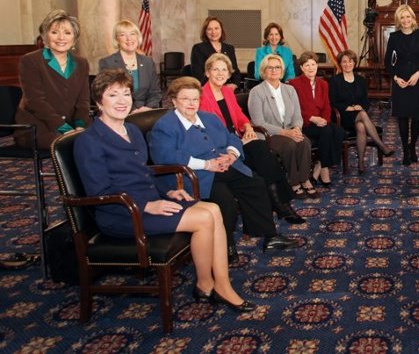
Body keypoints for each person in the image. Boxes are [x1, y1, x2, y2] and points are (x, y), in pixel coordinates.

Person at [75, 69, 255, 312]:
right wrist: (148, 205)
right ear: (99, 101)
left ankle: (214, 284)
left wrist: (167, 192)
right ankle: (210, 284)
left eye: (126, 94)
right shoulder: (89, 140)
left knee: (214, 209)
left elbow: (145, 173)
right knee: (204, 217)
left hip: (148, 201)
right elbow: (99, 191)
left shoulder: (132, 131)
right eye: (113, 95)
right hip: (122, 213)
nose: (121, 101)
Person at [149, 77, 298, 262]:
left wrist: (232, 155)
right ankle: (225, 246)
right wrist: (206, 164)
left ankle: (269, 235)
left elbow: (232, 138)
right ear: (173, 100)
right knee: (224, 199)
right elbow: (165, 156)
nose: (191, 103)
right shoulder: (165, 126)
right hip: (195, 176)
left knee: (255, 183)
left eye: (195, 99)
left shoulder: (209, 118)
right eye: (185, 99)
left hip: (224, 166)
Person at [198, 53, 304, 224]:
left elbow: (239, 116)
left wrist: (247, 126)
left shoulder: (227, 91)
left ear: (228, 73)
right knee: (262, 158)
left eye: (224, 70)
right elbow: (205, 130)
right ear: (207, 72)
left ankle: (281, 204)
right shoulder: (201, 96)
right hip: (220, 146)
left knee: (263, 152)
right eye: (215, 69)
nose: (220, 73)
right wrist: (234, 142)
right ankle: (282, 205)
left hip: (237, 140)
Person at [15, 9, 90, 149]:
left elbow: (83, 101)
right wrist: (64, 128)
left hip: (73, 124)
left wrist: (79, 125)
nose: (61, 38)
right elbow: (35, 101)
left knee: (104, 137)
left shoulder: (81, 63)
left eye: (67, 33)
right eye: (54, 32)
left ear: (74, 38)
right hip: (38, 127)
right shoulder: (30, 61)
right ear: (45, 36)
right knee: (79, 143)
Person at [248, 55, 319, 198]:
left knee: (304, 142)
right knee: (289, 145)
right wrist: (285, 133)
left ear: (282, 70)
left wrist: (297, 128)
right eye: (270, 67)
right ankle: (294, 183)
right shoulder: (257, 92)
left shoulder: (289, 90)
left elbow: (297, 116)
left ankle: (304, 179)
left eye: (278, 67)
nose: (274, 70)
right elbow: (258, 122)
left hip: (290, 130)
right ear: (263, 70)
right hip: (269, 134)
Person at [328, 49, 395, 175]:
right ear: (340, 64)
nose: (348, 64)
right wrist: (348, 108)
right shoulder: (334, 80)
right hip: (342, 116)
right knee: (363, 115)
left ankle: (361, 164)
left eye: (351, 61)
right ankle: (381, 145)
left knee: (361, 126)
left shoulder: (360, 80)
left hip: (358, 115)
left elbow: (366, 101)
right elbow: (332, 102)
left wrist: (360, 106)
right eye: (344, 62)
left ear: (354, 63)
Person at [384, 4, 419, 165]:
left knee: (417, 117)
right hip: (401, 82)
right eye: (402, 17)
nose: (405, 20)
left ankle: (413, 146)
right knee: (403, 117)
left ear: (413, 18)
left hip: (417, 81)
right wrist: (396, 77)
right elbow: (387, 62)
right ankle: (405, 150)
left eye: (408, 17)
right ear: (399, 20)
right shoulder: (394, 37)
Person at [289, 52, 345, 186]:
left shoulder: (323, 84)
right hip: (304, 123)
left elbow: (327, 105)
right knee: (327, 132)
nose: (310, 67)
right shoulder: (293, 84)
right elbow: (294, 109)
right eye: (307, 65)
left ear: (317, 65)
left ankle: (320, 165)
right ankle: (324, 169)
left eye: (313, 64)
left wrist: (324, 119)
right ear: (302, 68)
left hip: (320, 121)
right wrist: (311, 118)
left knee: (339, 131)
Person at [99, 19, 161, 112]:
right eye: (123, 35)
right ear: (117, 39)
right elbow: (107, 95)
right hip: (119, 112)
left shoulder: (148, 62)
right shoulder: (108, 63)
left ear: (138, 37)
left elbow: (155, 92)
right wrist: (132, 110)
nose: (129, 39)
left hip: (146, 112)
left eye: (132, 34)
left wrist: (148, 108)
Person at [191, 16, 242, 86]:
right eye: (209, 29)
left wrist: (234, 85)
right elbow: (198, 75)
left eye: (216, 28)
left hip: (227, 88)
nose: (213, 32)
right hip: (208, 88)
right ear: (205, 32)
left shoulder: (229, 48)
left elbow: (235, 72)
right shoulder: (198, 48)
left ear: (221, 30)